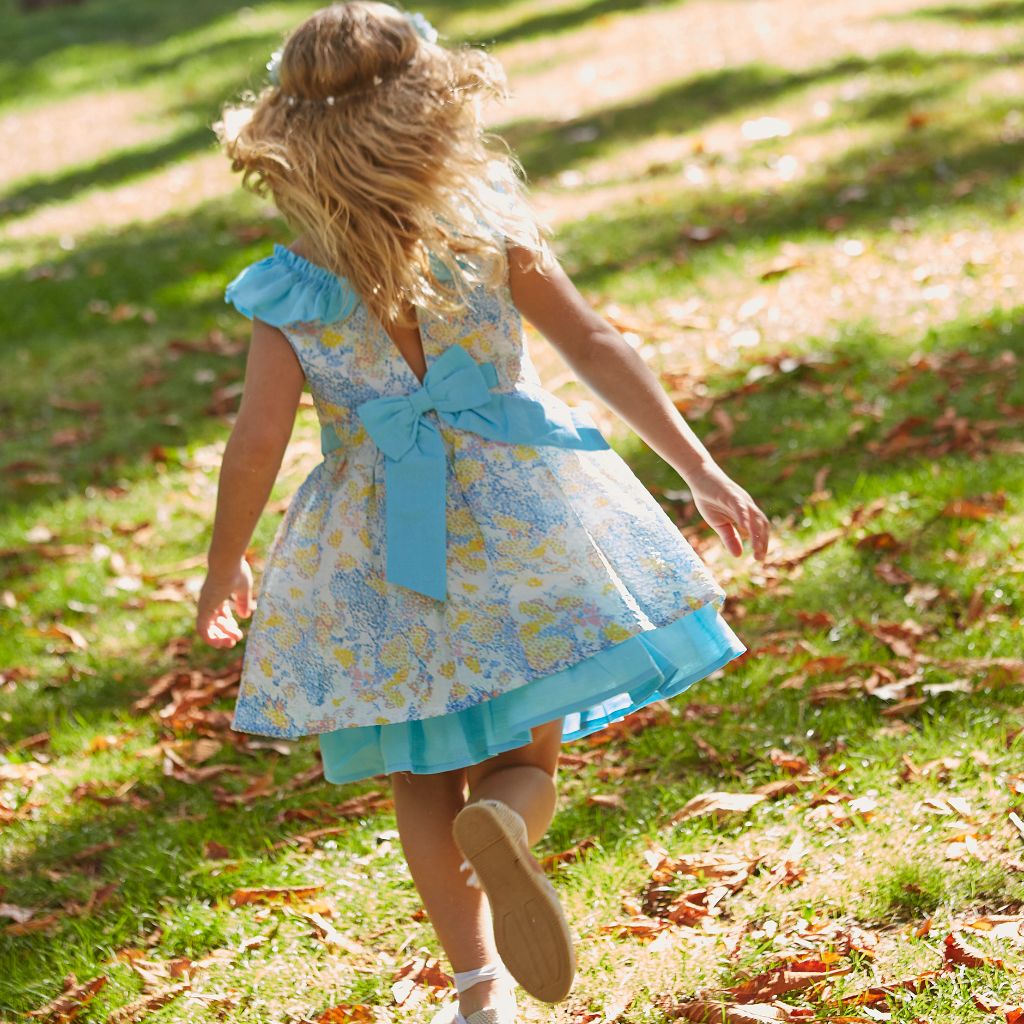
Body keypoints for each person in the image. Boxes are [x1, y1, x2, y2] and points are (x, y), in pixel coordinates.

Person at [196, 5, 770, 1022]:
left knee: (418, 770)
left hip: (377, 547)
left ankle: (474, 987)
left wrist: (222, 568)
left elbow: (255, 445)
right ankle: (505, 817)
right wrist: (697, 466)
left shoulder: (289, 288)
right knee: (524, 755)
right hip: (520, 518)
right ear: (434, 111)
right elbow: (595, 347)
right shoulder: (486, 228)